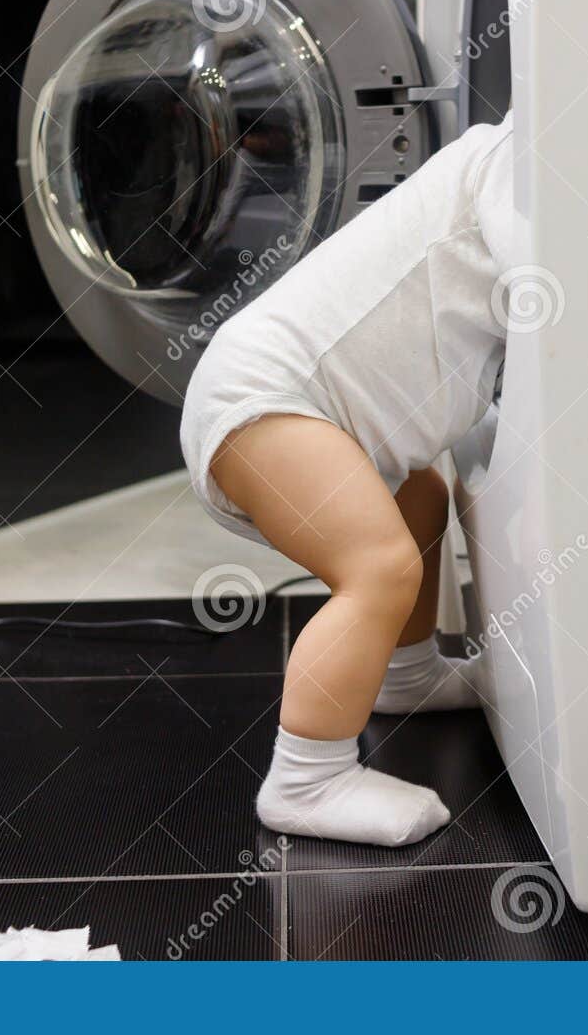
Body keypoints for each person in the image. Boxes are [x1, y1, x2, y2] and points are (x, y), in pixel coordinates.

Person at [180, 112, 518, 846]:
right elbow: (560, 287)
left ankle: (409, 673)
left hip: (298, 398)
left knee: (419, 500)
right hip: (267, 397)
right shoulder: (517, 165)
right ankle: (306, 778)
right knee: (378, 564)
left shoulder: (517, 160)